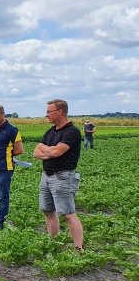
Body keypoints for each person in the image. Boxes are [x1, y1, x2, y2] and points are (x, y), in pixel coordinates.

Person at [33, 99, 84, 250]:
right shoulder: (50, 132)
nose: (46, 114)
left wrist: (47, 149)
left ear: (60, 112)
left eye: (49, 112)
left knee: (68, 214)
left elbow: (57, 151)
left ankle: (78, 249)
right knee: (48, 211)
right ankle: (53, 242)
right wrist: (49, 152)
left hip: (63, 177)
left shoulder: (71, 132)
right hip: (47, 176)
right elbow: (36, 152)